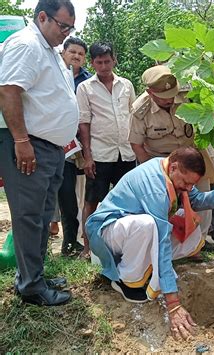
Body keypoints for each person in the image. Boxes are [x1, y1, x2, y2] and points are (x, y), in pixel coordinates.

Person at [85, 147, 214, 340]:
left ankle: (145, 269)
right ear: (175, 167)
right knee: (147, 225)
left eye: (191, 184)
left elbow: (196, 200)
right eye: (185, 183)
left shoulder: (170, 171)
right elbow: (162, 244)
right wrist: (173, 303)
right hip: (108, 234)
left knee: (190, 229)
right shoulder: (154, 187)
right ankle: (127, 281)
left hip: (130, 234)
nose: (187, 188)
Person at [0, 0, 77, 306]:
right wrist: (21, 140)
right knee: (30, 217)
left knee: (42, 215)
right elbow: (8, 90)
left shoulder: (47, 48)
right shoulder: (26, 44)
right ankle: (31, 286)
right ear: (42, 17)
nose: (67, 33)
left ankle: (35, 274)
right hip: (30, 146)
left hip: (50, 148)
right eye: (63, 26)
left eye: (71, 27)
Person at [128, 65, 214, 248]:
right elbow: (137, 145)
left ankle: (198, 242)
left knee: (201, 196)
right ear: (150, 92)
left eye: (172, 94)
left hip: (192, 156)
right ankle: (168, 244)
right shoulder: (140, 110)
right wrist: (155, 173)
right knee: (164, 205)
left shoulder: (189, 95)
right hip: (161, 162)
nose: (169, 100)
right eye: (163, 97)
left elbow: (211, 114)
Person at [77, 41, 136, 259]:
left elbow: (134, 115)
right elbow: (84, 122)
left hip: (127, 152)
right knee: (92, 200)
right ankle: (88, 247)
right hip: (100, 154)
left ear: (114, 60)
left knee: (129, 201)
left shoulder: (126, 85)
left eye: (107, 61)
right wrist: (88, 156)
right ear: (92, 63)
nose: (104, 66)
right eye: (99, 62)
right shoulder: (85, 88)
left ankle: (127, 245)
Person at [57, 36, 92, 256]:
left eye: (80, 54)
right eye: (73, 52)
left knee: (84, 196)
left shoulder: (87, 82)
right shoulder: (54, 73)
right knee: (66, 196)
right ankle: (68, 243)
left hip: (81, 147)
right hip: (58, 145)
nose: (76, 56)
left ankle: (81, 241)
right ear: (63, 52)